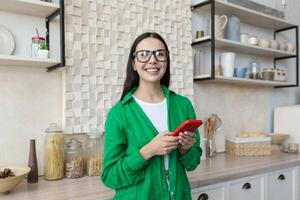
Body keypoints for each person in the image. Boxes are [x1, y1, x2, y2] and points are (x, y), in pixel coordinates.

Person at [101, 32, 202, 200]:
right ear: (133, 63)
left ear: (166, 61)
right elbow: (110, 176)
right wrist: (148, 151)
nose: (153, 60)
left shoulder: (183, 105)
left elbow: (193, 163)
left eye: (160, 54)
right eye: (143, 54)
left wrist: (185, 149)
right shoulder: (119, 114)